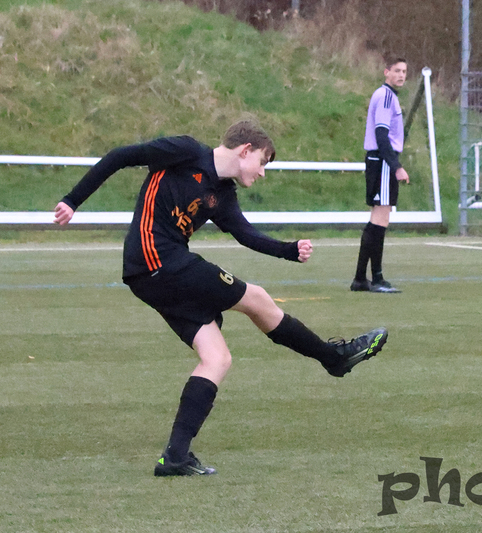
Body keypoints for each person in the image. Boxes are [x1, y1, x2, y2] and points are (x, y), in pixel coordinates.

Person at [54, 120, 388, 477]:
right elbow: (120, 156)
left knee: (217, 358)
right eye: (262, 162)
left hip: (153, 274)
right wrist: (72, 201)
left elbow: (245, 234)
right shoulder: (185, 152)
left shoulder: (223, 194)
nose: (262, 172)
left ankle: (175, 457)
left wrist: (288, 250)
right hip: (156, 259)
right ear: (245, 150)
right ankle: (333, 357)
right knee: (256, 297)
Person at [351, 57, 409, 294]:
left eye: (404, 71)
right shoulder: (385, 96)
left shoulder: (388, 96)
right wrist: (396, 166)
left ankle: (361, 278)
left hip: (380, 161)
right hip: (382, 162)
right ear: (386, 72)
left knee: (377, 218)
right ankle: (376, 278)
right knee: (380, 219)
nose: (401, 75)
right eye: (397, 70)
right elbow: (381, 135)